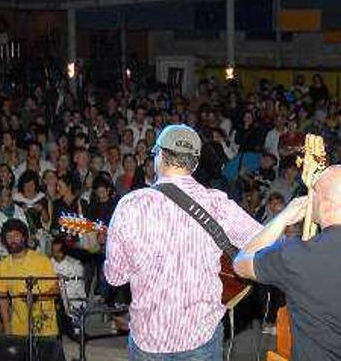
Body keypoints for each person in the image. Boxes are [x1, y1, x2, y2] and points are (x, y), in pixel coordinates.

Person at [105, 124, 263, 360]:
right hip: (201, 335)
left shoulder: (131, 205)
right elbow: (262, 242)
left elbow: (115, 276)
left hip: (150, 338)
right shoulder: (217, 203)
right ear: (195, 164)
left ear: (159, 156)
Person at [234, 165, 341, 361]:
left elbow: (241, 264)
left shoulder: (293, 255)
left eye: (313, 193)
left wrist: (282, 218)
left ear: (325, 204)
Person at [0, 219, 59, 337]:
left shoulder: (41, 260)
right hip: (18, 329)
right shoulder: (3, 265)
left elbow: (56, 290)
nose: (12, 240)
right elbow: (2, 298)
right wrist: (7, 327)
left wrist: (36, 298)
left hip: (46, 328)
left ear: (24, 237)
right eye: (9, 236)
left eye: (16, 236)